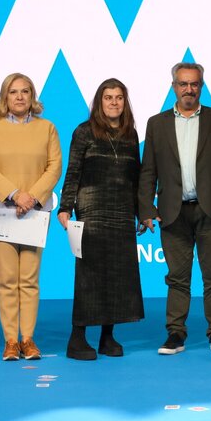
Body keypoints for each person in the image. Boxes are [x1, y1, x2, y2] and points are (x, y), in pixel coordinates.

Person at [138, 61, 211, 355]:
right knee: (177, 278)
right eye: (183, 84)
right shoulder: (156, 123)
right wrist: (146, 209)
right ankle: (175, 334)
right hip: (172, 212)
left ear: (201, 87)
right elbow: (148, 171)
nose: (189, 89)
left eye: (194, 84)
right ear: (174, 87)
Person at [0, 73, 62, 361]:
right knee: (7, 278)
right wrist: (14, 194)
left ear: (33, 96)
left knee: (29, 278)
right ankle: (11, 340)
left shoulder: (47, 128)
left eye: (26, 91)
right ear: (4, 97)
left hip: (35, 212)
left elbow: (54, 167)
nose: (20, 97)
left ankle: (28, 339)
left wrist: (32, 197)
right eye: (13, 92)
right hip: (1, 211)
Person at [57, 78, 145, 360]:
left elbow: (136, 177)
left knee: (118, 275)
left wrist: (142, 212)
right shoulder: (84, 131)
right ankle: (77, 338)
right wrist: (65, 207)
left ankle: (108, 337)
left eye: (119, 97)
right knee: (90, 276)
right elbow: (73, 171)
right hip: (91, 210)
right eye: (108, 97)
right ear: (99, 102)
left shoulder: (131, 134)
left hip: (122, 212)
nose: (114, 102)